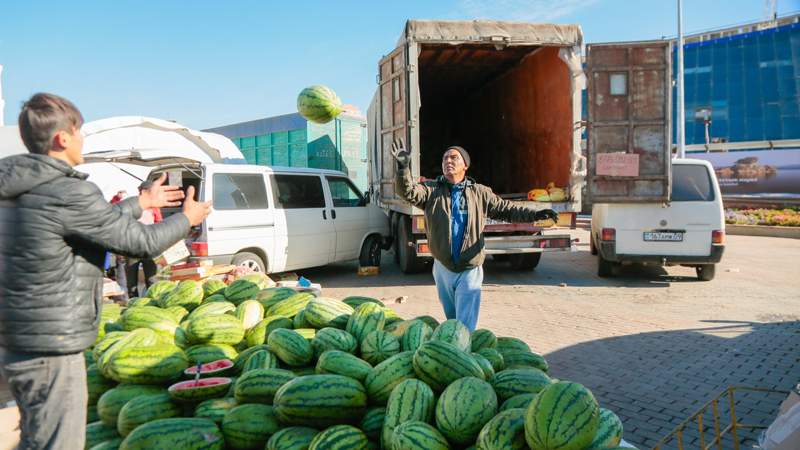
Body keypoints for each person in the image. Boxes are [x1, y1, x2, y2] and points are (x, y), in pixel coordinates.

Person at [0, 92, 212, 449]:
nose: (82, 140)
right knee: (58, 442)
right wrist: (186, 219)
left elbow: (87, 223)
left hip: (15, 338)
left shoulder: (17, 188)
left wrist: (139, 203)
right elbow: (139, 243)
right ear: (62, 138)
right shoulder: (67, 191)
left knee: (35, 435)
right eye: (78, 131)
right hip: (52, 343)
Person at [391, 138, 558, 332]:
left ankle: (464, 353)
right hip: (442, 267)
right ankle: (456, 346)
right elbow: (408, 192)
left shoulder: (480, 193)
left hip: (469, 267)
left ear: (465, 165)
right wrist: (403, 168)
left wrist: (535, 215)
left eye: (454, 157)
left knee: (465, 326)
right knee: (452, 319)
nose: (448, 161)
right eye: (445, 158)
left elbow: (507, 210)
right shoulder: (431, 190)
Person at [126, 180, 164, 297]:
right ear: (143, 191)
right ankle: (133, 302)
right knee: (131, 281)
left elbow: (159, 223)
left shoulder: (154, 207)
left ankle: (151, 302)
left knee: (151, 279)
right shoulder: (131, 205)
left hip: (149, 246)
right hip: (132, 247)